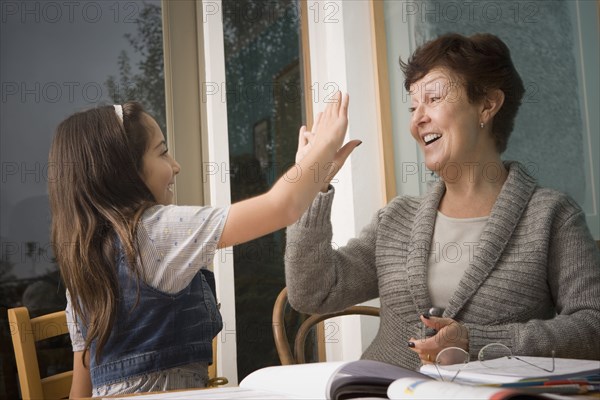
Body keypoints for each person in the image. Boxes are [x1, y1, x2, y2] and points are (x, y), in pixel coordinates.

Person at [285, 33, 600, 372]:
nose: (417, 119)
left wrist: (474, 341)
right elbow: (311, 292)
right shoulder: (397, 219)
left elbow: (593, 326)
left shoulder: (551, 216)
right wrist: (312, 182)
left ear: (487, 105)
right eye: (412, 106)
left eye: (433, 98)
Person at [48, 93, 360, 397]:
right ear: (124, 171)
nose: (175, 165)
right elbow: (282, 207)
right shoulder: (157, 231)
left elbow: (82, 389)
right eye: (162, 153)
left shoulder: (82, 259)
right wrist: (323, 147)